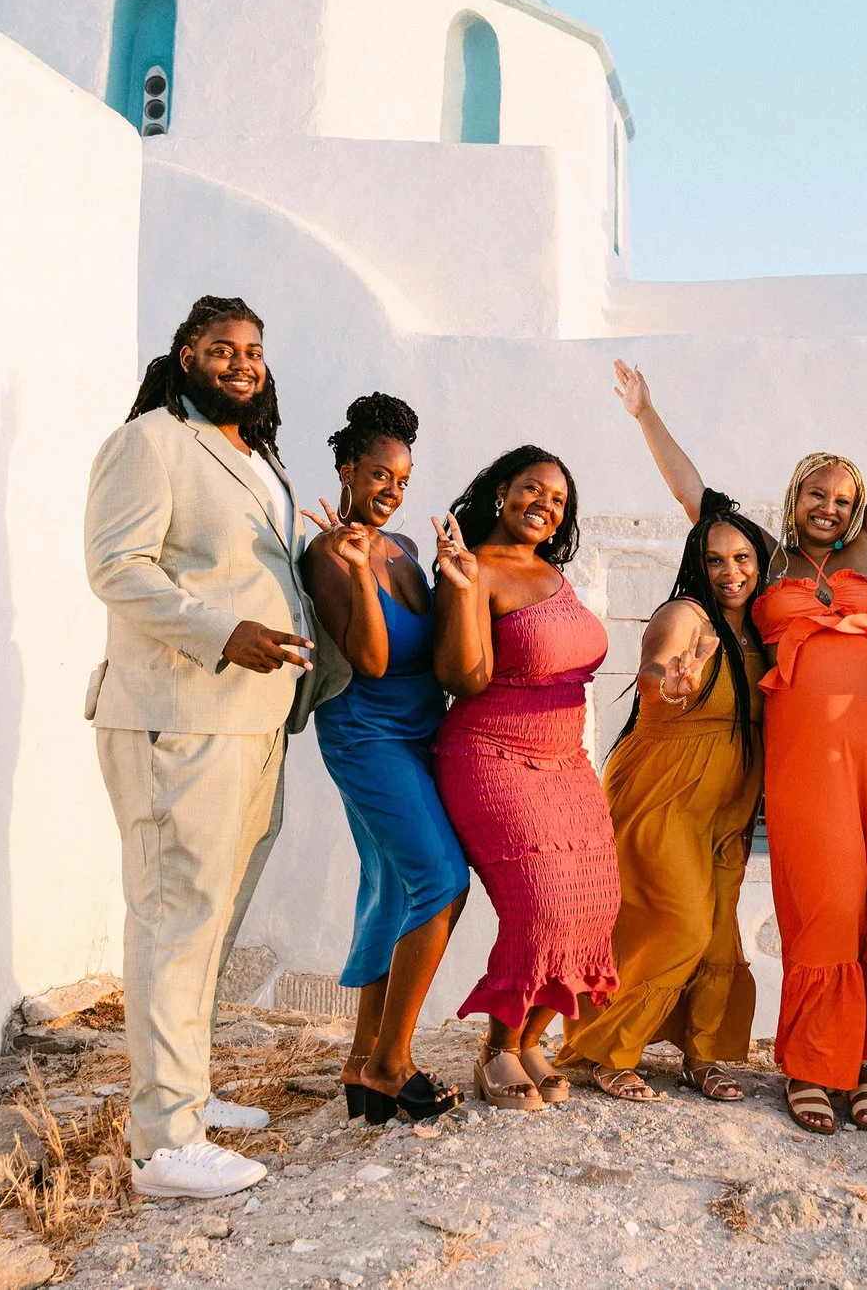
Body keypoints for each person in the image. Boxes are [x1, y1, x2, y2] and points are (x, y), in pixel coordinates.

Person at [613, 308, 867, 1137]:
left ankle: (866, 1060)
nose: (830, 507)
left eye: (842, 497)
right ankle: (812, 1061)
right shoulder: (762, 559)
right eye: (816, 493)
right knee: (823, 899)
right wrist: (646, 415)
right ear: (794, 495)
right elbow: (693, 496)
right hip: (804, 758)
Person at [83, 295, 346, 1200]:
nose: (243, 362)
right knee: (174, 914)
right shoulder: (151, 441)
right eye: (223, 348)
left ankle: (185, 1096)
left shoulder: (253, 455)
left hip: (254, 718)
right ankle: (162, 1142)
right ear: (186, 354)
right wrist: (220, 629)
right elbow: (117, 568)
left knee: (213, 914)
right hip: (178, 713)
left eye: (255, 350)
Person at [561, 496, 775, 1104]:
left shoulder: (761, 626)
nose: (729, 571)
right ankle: (609, 1050)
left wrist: (646, 415)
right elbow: (657, 668)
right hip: (663, 791)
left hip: (730, 803)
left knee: (716, 933)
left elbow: (695, 491)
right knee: (680, 925)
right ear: (695, 566)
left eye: (741, 557)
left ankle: (702, 1055)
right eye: (713, 560)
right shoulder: (686, 615)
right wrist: (669, 684)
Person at [297, 393, 470, 1126]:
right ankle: (394, 1063)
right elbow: (369, 657)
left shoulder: (400, 546)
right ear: (345, 469)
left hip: (418, 732)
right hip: (366, 735)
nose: (391, 491)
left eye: (401, 479)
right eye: (378, 475)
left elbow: (436, 650)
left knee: (394, 885)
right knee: (441, 878)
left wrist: (453, 575)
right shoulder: (328, 553)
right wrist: (361, 571)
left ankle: (363, 1058)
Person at [430, 446, 619, 1111]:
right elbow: (464, 677)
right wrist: (458, 587)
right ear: (501, 490)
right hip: (491, 753)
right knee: (538, 903)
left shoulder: (551, 572)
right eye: (532, 488)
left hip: (566, 761)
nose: (544, 503)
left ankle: (531, 1038)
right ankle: (497, 1052)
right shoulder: (474, 565)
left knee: (596, 903)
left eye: (558, 499)